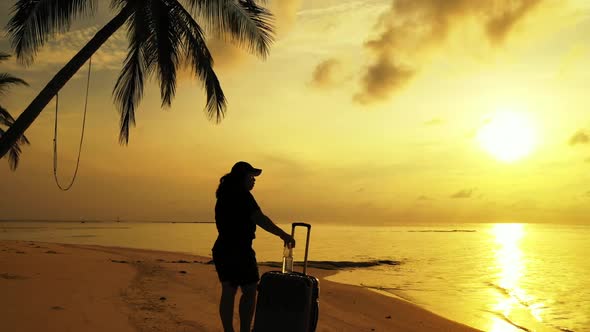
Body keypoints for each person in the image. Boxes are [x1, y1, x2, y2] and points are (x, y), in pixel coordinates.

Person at [212, 161, 296, 332]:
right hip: (239, 250)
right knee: (249, 291)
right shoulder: (242, 195)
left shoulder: (224, 195)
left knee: (228, 291)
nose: (254, 180)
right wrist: (283, 234)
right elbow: (260, 219)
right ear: (242, 177)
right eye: (251, 177)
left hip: (222, 248)